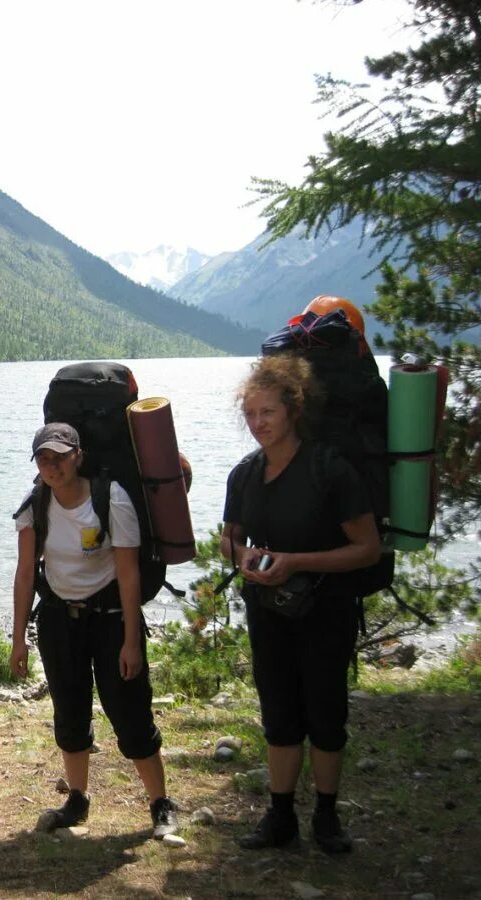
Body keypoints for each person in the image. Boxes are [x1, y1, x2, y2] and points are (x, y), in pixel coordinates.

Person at [222, 355, 380, 853]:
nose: (258, 424)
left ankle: (328, 819)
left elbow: (367, 548)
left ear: (293, 409)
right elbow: (229, 539)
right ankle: (281, 816)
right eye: (250, 414)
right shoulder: (245, 474)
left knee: (326, 715)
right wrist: (245, 555)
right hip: (268, 611)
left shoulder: (329, 469)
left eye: (266, 412)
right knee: (280, 714)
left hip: (326, 612)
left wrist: (296, 562)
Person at [10, 422, 180, 838]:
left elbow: (127, 574)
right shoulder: (35, 504)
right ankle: (77, 799)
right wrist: (18, 639)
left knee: (129, 710)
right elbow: (25, 573)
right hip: (58, 620)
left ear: (78, 456)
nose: (53, 466)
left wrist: (131, 641)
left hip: (110, 618)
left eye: (60, 456)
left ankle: (161, 803)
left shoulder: (110, 499)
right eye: (44, 458)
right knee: (69, 710)